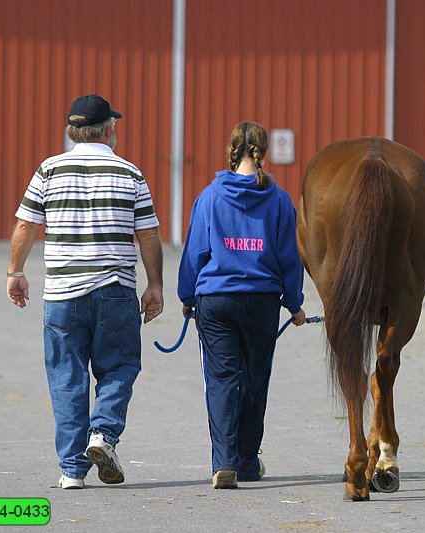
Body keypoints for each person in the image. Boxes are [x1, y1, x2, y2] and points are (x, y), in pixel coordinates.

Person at [6, 94, 164, 490]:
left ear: (72, 130)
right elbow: (147, 234)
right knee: (120, 366)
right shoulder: (130, 172)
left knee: (66, 376)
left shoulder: (48, 170)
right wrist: (155, 285)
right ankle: (103, 435)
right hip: (114, 290)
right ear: (109, 128)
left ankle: (72, 471)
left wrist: (15, 272)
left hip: (62, 293)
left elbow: (26, 226)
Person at [178, 121, 306, 489]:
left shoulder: (210, 197)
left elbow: (196, 252)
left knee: (222, 379)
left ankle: (225, 462)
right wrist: (295, 304)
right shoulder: (279, 200)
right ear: (263, 152)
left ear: (231, 151)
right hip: (262, 302)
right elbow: (288, 258)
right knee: (255, 379)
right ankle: (248, 461)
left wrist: (188, 297)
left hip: (216, 299)